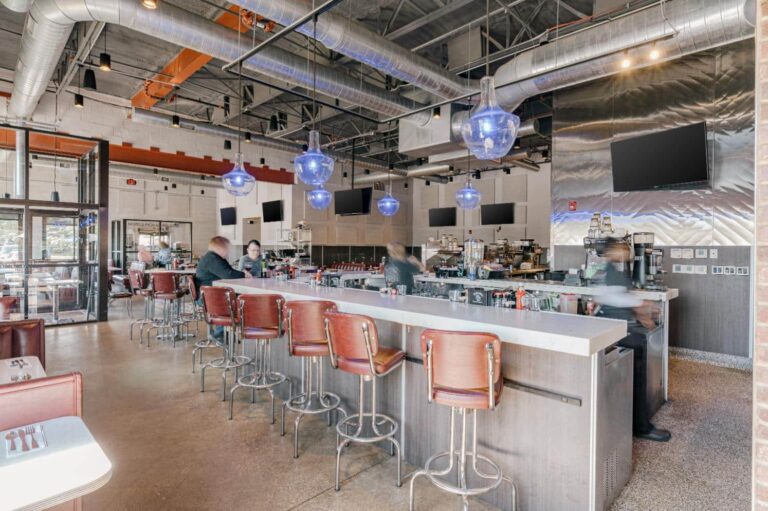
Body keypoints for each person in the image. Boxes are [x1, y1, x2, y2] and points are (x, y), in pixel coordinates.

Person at [594, 237, 670, 442]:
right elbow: (615, 298)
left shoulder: (614, 270)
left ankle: (634, 421)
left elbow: (616, 297)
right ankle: (641, 426)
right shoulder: (610, 271)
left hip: (619, 328)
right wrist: (641, 305)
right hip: (618, 331)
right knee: (637, 377)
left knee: (634, 376)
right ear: (611, 252)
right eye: (621, 248)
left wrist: (640, 311)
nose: (625, 252)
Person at [195, 236, 250, 343]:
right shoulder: (212, 259)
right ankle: (219, 333)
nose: (228, 252)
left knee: (235, 298)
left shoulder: (214, 258)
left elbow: (228, 271)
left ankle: (225, 330)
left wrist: (241, 274)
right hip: (208, 298)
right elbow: (228, 274)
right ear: (221, 248)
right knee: (236, 301)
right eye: (227, 249)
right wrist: (244, 274)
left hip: (209, 295)